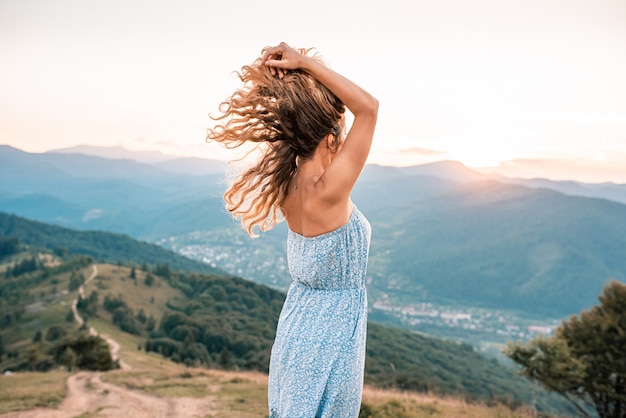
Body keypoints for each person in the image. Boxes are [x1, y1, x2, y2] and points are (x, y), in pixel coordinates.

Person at [207, 42, 378, 417]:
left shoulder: (288, 184)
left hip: (298, 323)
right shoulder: (327, 191)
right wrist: (307, 64)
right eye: (342, 138)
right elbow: (369, 108)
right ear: (331, 140)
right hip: (332, 332)